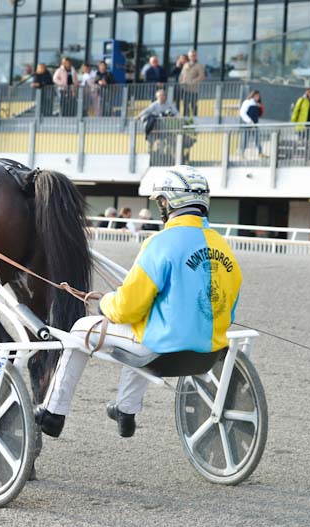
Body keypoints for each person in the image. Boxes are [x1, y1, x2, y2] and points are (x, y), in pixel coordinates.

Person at [35, 165, 242, 439]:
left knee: (82, 329)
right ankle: (125, 409)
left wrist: (105, 303)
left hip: (164, 351)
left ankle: (53, 413)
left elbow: (127, 308)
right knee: (144, 326)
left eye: (161, 202)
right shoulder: (224, 246)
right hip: (209, 351)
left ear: (169, 202)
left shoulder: (161, 243)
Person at [179, 50, 206, 117]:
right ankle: (185, 121)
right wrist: (181, 82)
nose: (192, 57)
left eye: (194, 55)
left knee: (193, 105)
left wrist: (192, 82)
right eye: (191, 56)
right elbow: (182, 75)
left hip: (194, 89)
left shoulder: (199, 65)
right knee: (185, 105)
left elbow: (202, 77)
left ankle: (195, 120)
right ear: (189, 57)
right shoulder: (185, 65)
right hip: (185, 89)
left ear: (196, 56)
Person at [239, 90, 264, 156]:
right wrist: (249, 121)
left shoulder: (257, 104)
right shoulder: (247, 102)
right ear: (252, 95)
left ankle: (260, 153)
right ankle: (241, 153)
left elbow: (260, 114)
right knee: (245, 139)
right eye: (256, 96)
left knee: (257, 139)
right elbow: (242, 113)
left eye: (258, 96)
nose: (257, 97)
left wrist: (260, 107)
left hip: (255, 124)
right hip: (248, 124)